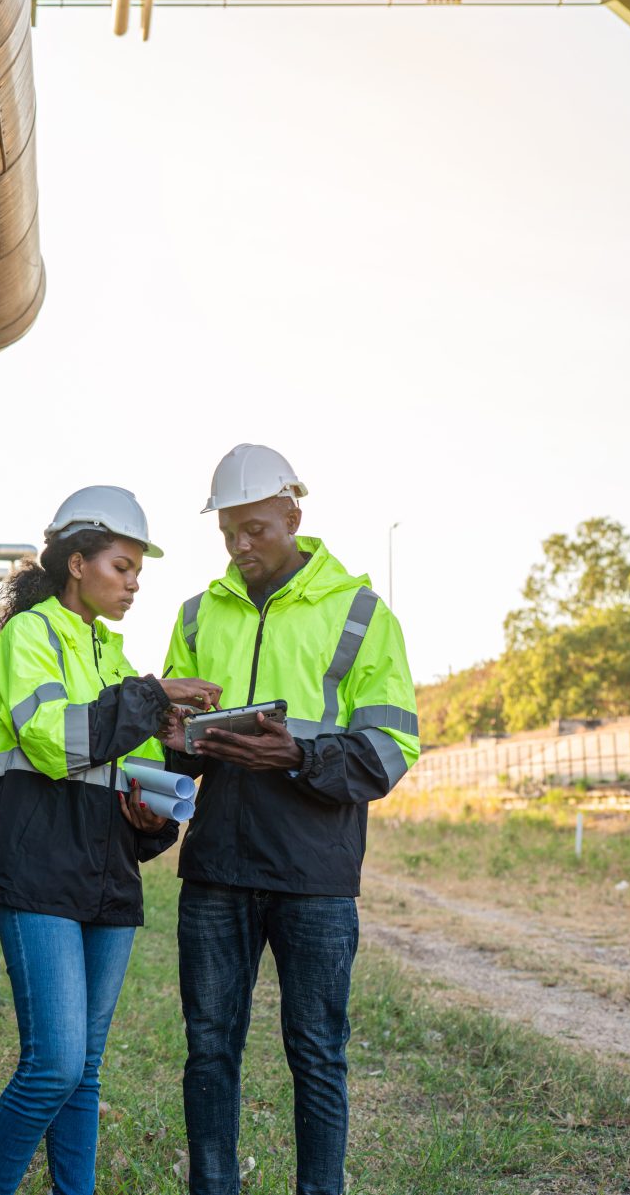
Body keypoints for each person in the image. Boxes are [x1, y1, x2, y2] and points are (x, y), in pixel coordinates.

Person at [161, 445, 418, 1195]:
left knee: (316, 1051)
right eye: (229, 532)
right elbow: (173, 747)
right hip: (216, 869)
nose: (241, 546)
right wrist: (175, 743)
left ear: (293, 516)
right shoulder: (196, 614)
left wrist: (297, 755)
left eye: (256, 530)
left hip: (316, 875)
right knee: (209, 1049)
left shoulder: (361, 612)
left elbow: (389, 750)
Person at [0, 485, 222, 1195]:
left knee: (83, 1068)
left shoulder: (112, 656)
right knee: (52, 1062)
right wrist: (152, 695)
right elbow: (56, 743)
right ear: (77, 562)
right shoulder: (31, 636)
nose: (134, 582)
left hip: (107, 877)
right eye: (122, 566)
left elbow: (124, 773)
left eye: (139, 569)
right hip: (39, 870)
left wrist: (158, 811)